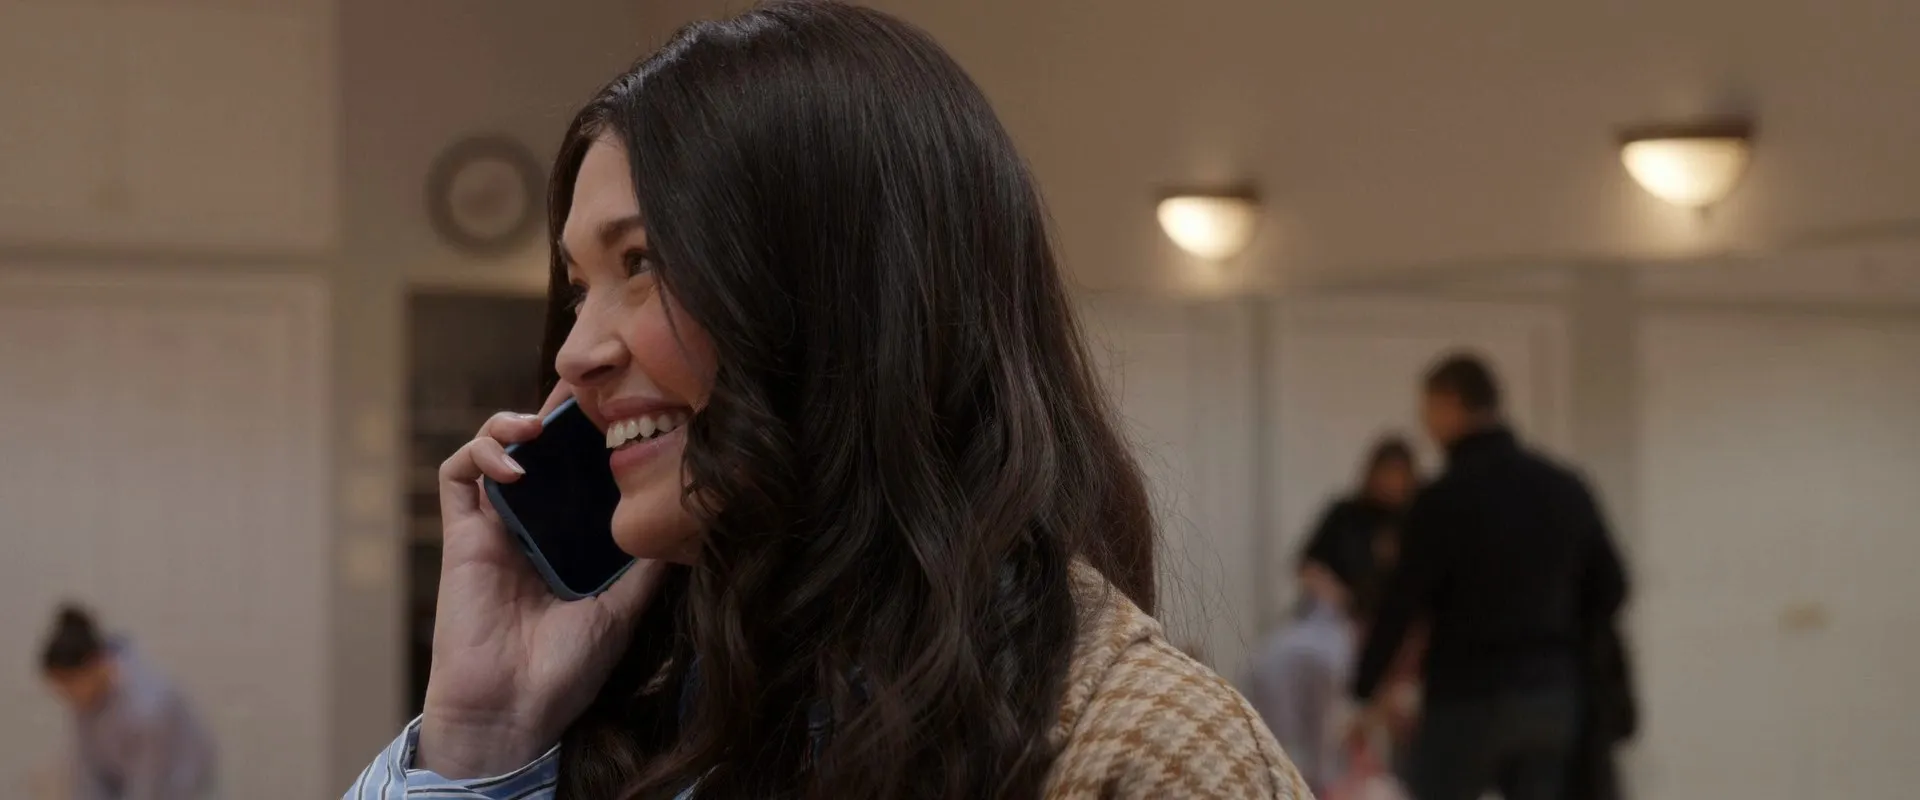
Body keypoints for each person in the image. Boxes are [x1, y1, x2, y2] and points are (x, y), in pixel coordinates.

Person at [346, 3, 1310, 799]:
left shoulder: (1143, 756)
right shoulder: (654, 715)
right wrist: (481, 737)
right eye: (578, 286)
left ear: (846, 304)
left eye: (642, 263)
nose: (574, 352)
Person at [1349, 353, 1627, 800]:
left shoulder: (1442, 501)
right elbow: (1612, 587)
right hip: (1548, 694)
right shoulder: (1563, 488)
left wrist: (1363, 687)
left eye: (1427, 410)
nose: (1426, 424)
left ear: (1449, 403)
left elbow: (1401, 603)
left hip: (1466, 696)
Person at [40, 605, 219, 800]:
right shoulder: (86, 703)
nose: (66, 696)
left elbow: (150, 787)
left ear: (95, 666)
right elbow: (89, 776)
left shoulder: (149, 707)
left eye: (68, 685)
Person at [1297, 436, 1418, 615]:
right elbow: (1309, 568)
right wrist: (1343, 602)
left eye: (1399, 474)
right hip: (1337, 615)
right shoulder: (1345, 515)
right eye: (1387, 472)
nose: (1392, 481)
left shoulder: (1414, 521)